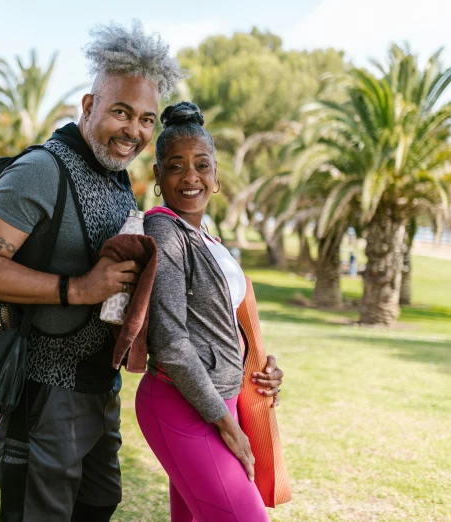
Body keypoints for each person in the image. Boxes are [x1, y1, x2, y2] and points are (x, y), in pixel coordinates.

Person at [0, 21, 184, 521]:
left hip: (100, 391)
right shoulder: (43, 169)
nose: (134, 131)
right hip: (43, 393)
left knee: (99, 505)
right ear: (88, 106)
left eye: (147, 120)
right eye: (121, 112)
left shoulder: (117, 178)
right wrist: (76, 289)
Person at [136, 102, 285, 522]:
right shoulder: (164, 232)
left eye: (202, 165)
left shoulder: (208, 240)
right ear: (159, 178)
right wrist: (226, 425)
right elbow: (171, 342)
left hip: (220, 401)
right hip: (180, 404)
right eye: (176, 166)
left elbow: (228, 323)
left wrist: (261, 366)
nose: (191, 176)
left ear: (216, 176)